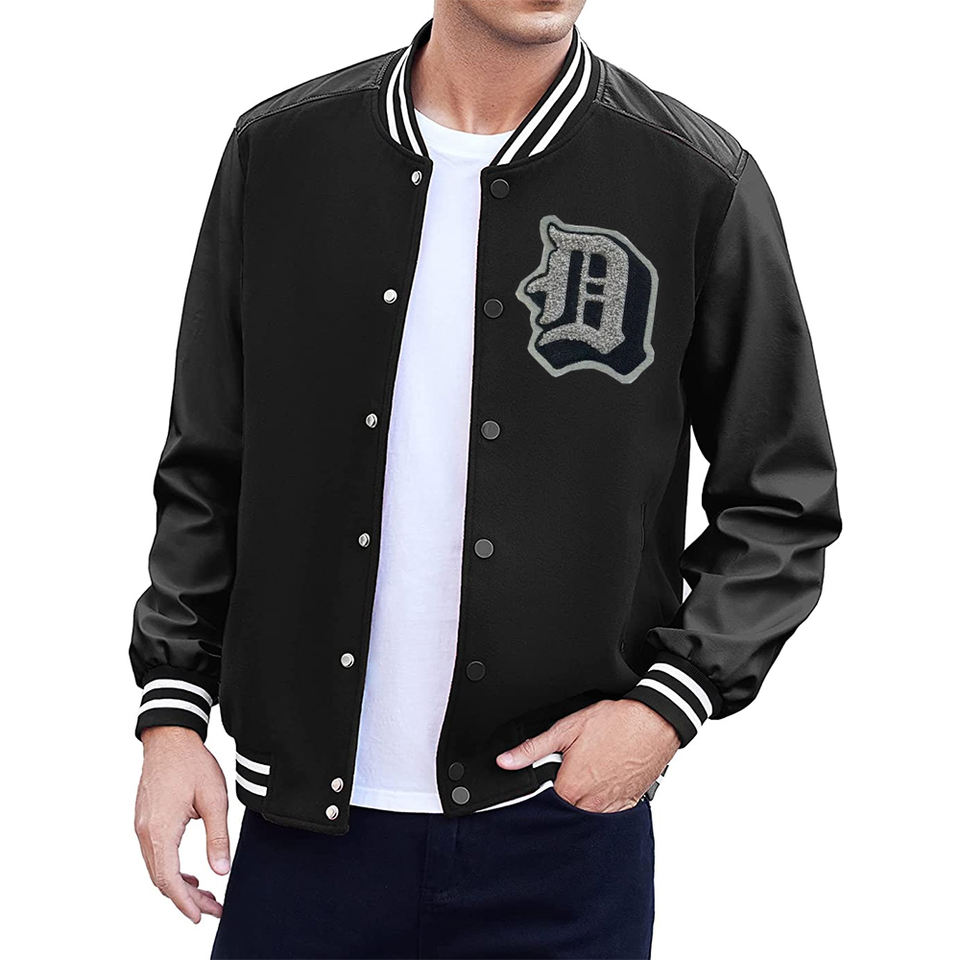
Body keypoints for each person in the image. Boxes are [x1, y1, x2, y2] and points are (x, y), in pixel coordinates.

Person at [130, 1, 841, 956]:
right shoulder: (282, 155)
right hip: (301, 835)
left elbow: (782, 496)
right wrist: (172, 714)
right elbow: (209, 463)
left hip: (559, 837)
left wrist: (666, 707)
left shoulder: (693, 179)